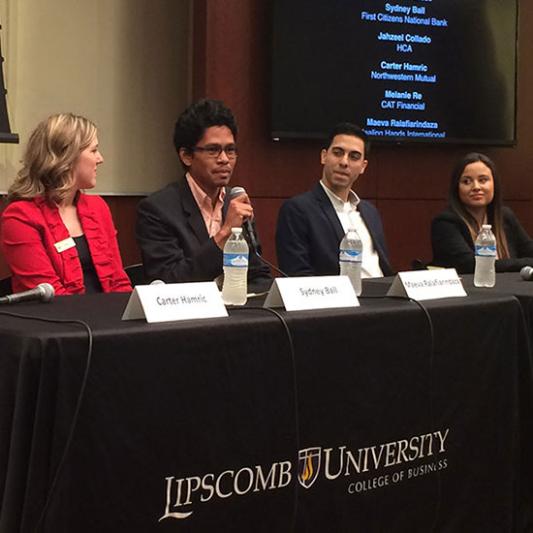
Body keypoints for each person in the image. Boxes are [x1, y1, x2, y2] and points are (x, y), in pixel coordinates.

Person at [136, 98, 272, 290]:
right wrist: (224, 234)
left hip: (238, 314)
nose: (224, 159)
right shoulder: (157, 209)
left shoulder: (234, 201)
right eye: (213, 150)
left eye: (230, 150)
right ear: (186, 156)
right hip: (188, 316)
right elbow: (169, 280)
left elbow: (258, 273)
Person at [0, 113, 132, 295]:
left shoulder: (97, 207)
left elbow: (118, 281)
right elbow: (50, 296)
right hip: (59, 320)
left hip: (107, 318)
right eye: (93, 151)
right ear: (67, 158)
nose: (100, 159)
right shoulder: (20, 217)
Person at [275, 122, 393, 277]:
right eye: (338, 153)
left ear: (363, 166)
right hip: (337, 299)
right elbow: (297, 275)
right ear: (324, 156)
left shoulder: (370, 212)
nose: (344, 162)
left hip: (383, 297)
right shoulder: (298, 210)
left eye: (354, 157)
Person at [431, 152, 533, 273]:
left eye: (483, 180)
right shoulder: (445, 223)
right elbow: (471, 265)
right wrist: (526, 263)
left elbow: (529, 250)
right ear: (456, 188)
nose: (476, 187)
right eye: (467, 182)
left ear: (494, 184)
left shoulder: (504, 216)